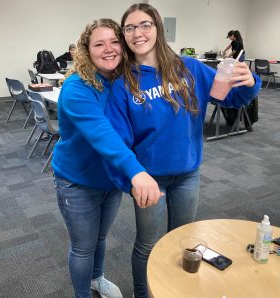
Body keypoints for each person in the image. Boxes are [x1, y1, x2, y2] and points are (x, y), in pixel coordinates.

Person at [104, 4, 261, 298]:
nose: (138, 33)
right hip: (150, 181)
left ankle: (176, 291)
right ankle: (143, 293)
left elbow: (228, 98)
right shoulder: (124, 84)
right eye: (130, 28)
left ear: (158, 28)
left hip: (188, 175)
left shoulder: (188, 67)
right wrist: (131, 180)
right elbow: (116, 142)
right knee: (148, 245)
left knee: (183, 240)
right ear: (124, 34)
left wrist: (251, 83)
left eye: (145, 25)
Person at [52, 18, 163, 298]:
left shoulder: (121, 82)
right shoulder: (77, 87)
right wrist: (136, 172)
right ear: (86, 50)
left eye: (114, 41)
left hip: (109, 180)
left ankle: (97, 278)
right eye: (99, 44)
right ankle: (82, 294)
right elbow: (103, 134)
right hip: (77, 182)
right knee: (83, 246)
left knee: (100, 238)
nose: (109, 49)